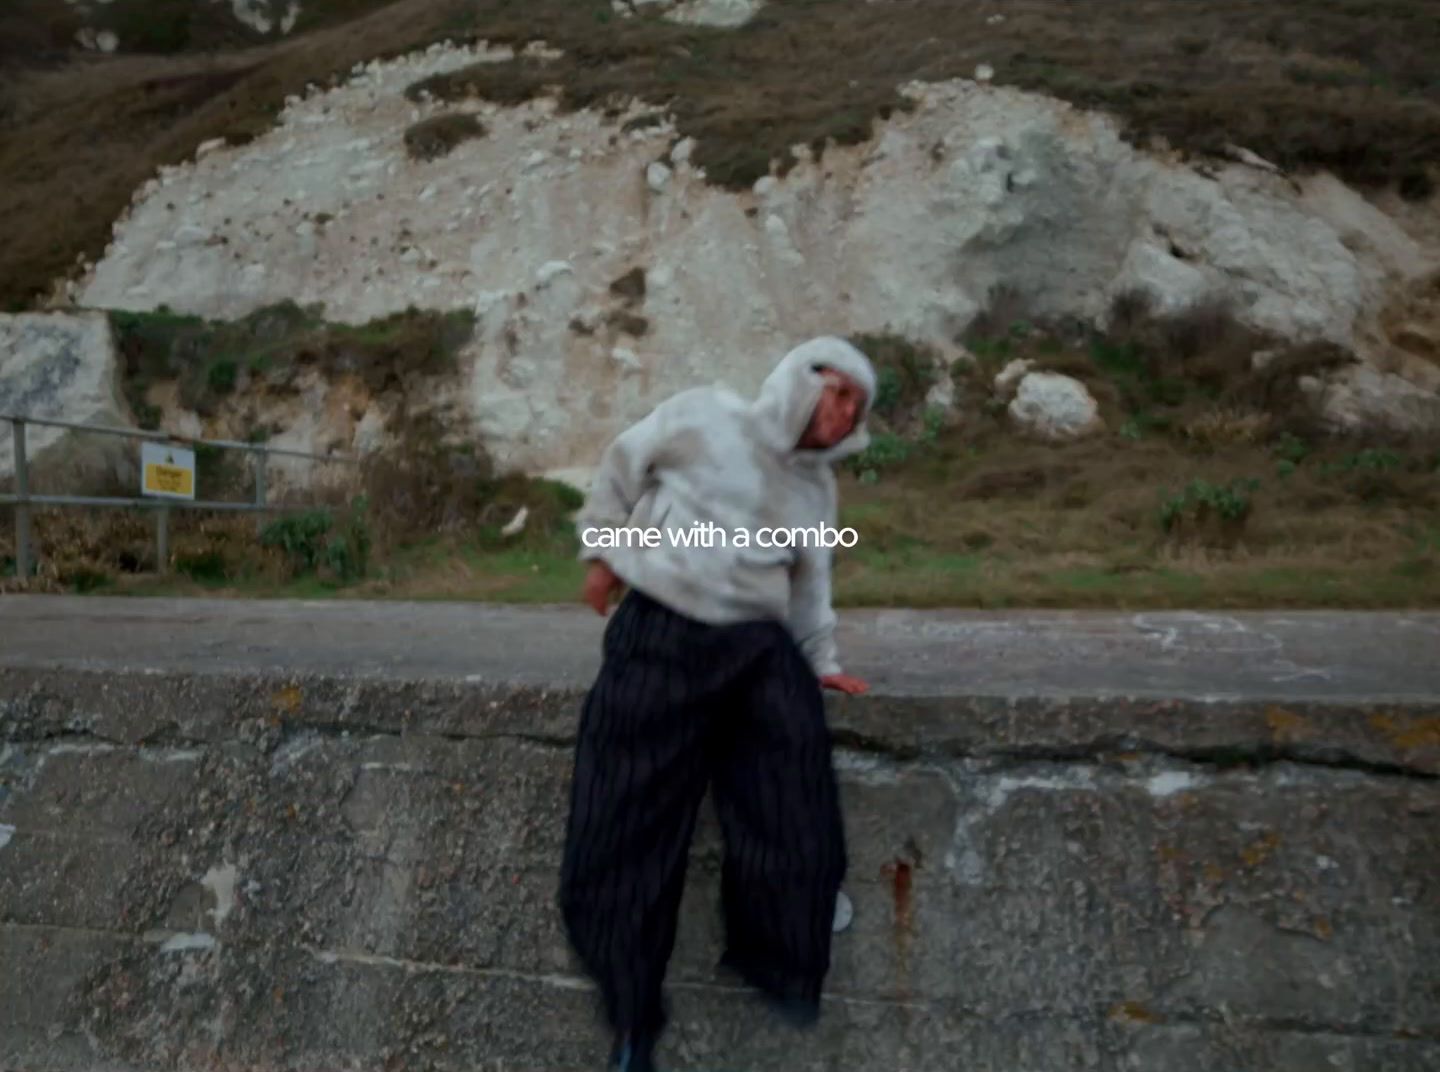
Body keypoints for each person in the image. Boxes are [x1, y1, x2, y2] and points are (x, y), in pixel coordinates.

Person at [557, 336, 876, 1071]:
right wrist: (603, 554)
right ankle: (633, 1023)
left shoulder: (815, 492)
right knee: (623, 823)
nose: (845, 412)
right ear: (804, 377)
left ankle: (780, 962)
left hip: (756, 649)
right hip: (661, 627)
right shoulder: (702, 416)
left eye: (857, 406)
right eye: (838, 392)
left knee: (795, 787)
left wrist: (821, 662)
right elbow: (619, 466)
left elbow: (809, 584)